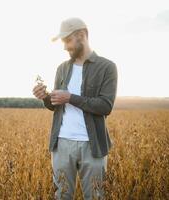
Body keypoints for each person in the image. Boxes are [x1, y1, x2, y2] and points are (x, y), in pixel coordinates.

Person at [32, 17, 118, 199]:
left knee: (95, 196)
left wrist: (70, 97)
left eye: (67, 40)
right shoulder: (62, 68)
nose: (65, 47)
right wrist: (46, 97)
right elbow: (56, 105)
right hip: (61, 144)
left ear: (82, 35)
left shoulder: (107, 67)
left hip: (93, 146)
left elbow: (105, 106)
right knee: (62, 196)